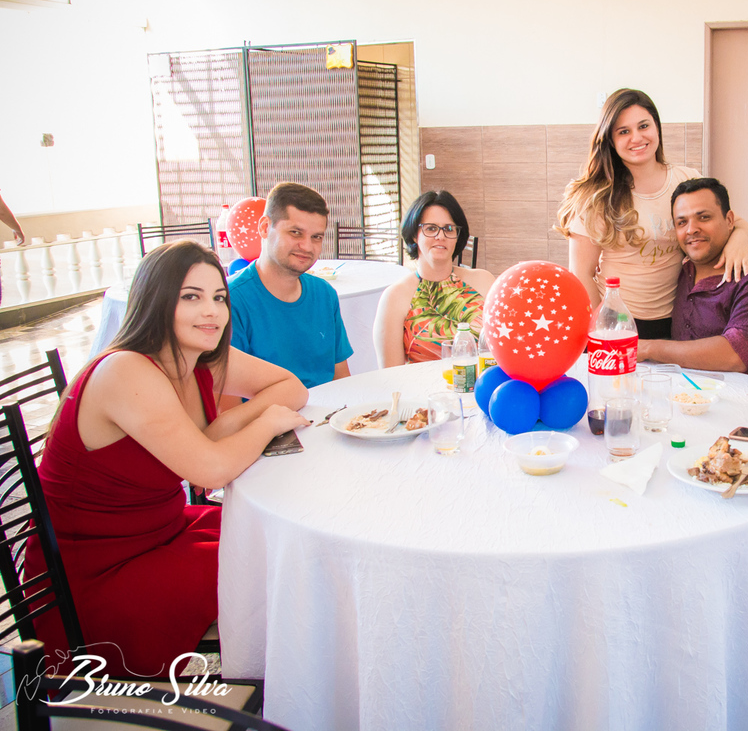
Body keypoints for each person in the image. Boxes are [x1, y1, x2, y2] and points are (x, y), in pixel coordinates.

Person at [26, 241, 309, 678]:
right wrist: (264, 423)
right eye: (190, 297)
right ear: (156, 301)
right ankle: (279, 680)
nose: (211, 312)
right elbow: (211, 470)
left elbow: (293, 388)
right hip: (95, 571)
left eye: (219, 297)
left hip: (164, 529)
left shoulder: (201, 357)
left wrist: (221, 427)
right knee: (272, 563)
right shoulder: (126, 370)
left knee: (283, 535)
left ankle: (284, 672)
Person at [554, 88, 748, 340]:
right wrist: (603, 330)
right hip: (617, 322)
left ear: (657, 128)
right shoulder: (596, 196)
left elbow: (733, 223)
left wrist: (740, 239)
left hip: (677, 319)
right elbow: (581, 273)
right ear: (610, 139)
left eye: (644, 126)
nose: (636, 138)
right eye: (623, 131)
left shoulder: (686, 179)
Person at [636, 177, 748, 380]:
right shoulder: (681, 268)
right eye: (682, 222)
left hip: (747, 396)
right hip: (687, 392)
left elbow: (735, 355)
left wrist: (648, 348)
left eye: (703, 217)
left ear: (729, 221)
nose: (691, 229)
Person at [229, 182, 352, 388]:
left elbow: (342, 380)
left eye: (316, 237)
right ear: (265, 227)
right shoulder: (230, 300)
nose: (307, 246)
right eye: (295, 232)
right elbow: (228, 400)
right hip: (268, 410)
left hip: (329, 407)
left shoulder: (324, 294)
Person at [373, 190, 495, 367]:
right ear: (414, 235)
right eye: (431, 228)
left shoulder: (484, 281)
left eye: (449, 229)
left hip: (484, 383)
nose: (440, 236)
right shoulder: (395, 297)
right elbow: (390, 374)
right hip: (421, 385)